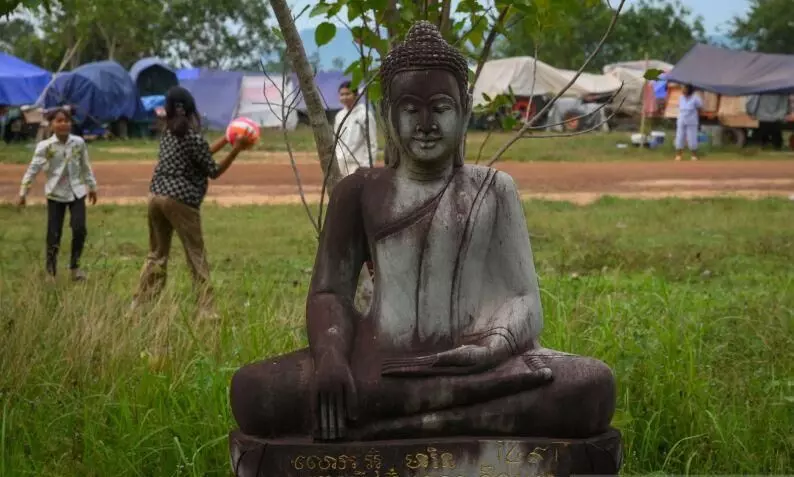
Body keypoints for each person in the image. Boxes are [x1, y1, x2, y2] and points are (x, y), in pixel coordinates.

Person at [229, 21, 615, 443]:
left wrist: (493, 346)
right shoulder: (359, 191)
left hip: (479, 366)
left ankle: (405, 423)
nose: (426, 124)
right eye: (411, 109)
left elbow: (523, 298)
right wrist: (331, 358)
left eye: (441, 108)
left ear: (465, 111)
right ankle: (460, 418)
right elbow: (329, 293)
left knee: (591, 385)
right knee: (253, 391)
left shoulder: (494, 189)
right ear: (388, 113)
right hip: (379, 366)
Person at [130, 86, 252, 318]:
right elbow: (213, 171)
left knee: (156, 254)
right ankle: (207, 310)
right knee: (196, 255)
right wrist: (236, 149)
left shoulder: (167, 134)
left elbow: (202, 154)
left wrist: (226, 140)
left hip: (156, 196)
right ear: (191, 108)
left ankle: (139, 305)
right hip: (181, 201)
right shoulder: (193, 137)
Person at [17, 107, 98, 281]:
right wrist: (23, 192)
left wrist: (92, 186)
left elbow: (85, 165)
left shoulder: (78, 143)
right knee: (54, 233)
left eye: (66, 121)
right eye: (59, 121)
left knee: (79, 229)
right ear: (51, 125)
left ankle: (75, 268)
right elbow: (33, 169)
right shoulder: (45, 147)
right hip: (55, 193)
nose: (63, 124)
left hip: (77, 191)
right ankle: (51, 272)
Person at [332, 81, 378, 176]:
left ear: (356, 95)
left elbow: (372, 144)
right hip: (341, 164)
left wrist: (367, 167)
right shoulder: (339, 116)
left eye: (347, 94)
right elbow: (336, 142)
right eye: (342, 94)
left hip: (358, 166)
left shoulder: (364, 115)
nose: (344, 97)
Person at [674, 84, 703, 161]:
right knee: (680, 137)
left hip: (692, 119)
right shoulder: (681, 98)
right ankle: (678, 155)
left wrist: (697, 116)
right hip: (682, 118)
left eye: (685, 89)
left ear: (689, 90)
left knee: (692, 137)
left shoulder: (695, 98)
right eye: (683, 89)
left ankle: (694, 155)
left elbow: (700, 107)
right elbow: (679, 107)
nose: (683, 90)